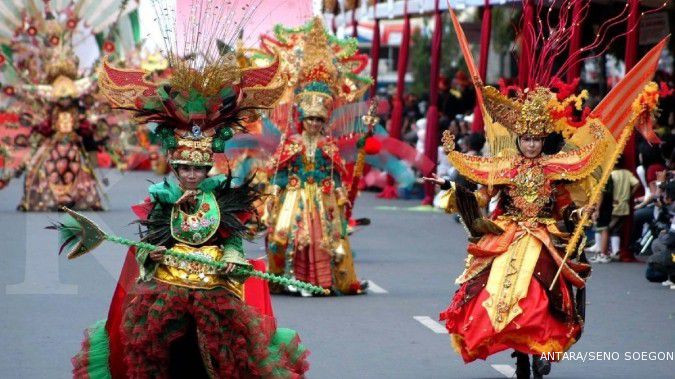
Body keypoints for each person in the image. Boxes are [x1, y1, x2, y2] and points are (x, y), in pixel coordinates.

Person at [68, 3, 310, 377]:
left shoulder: (222, 197)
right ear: (175, 166)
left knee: (223, 356)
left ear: (207, 166)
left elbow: (232, 238)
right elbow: (148, 247)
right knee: (160, 354)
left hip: (214, 285)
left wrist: (232, 257)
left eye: (199, 168)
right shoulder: (162, 199)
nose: (193, 175)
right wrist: (157, 257)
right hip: (168, 288)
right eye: (186, 168)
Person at [263, 18, 368, 296]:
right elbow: (281, 173)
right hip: (294, 194)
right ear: (301, 119)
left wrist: (340, 193)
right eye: (308, 119)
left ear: (323, 122)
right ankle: (281, 280)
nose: (312, 124)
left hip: (322, 198)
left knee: (327, 238)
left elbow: (335, 174)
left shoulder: (328, 147)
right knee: (283, 236)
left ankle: (323, 281)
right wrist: (272, 195)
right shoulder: (292, 144)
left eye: (317, 120)